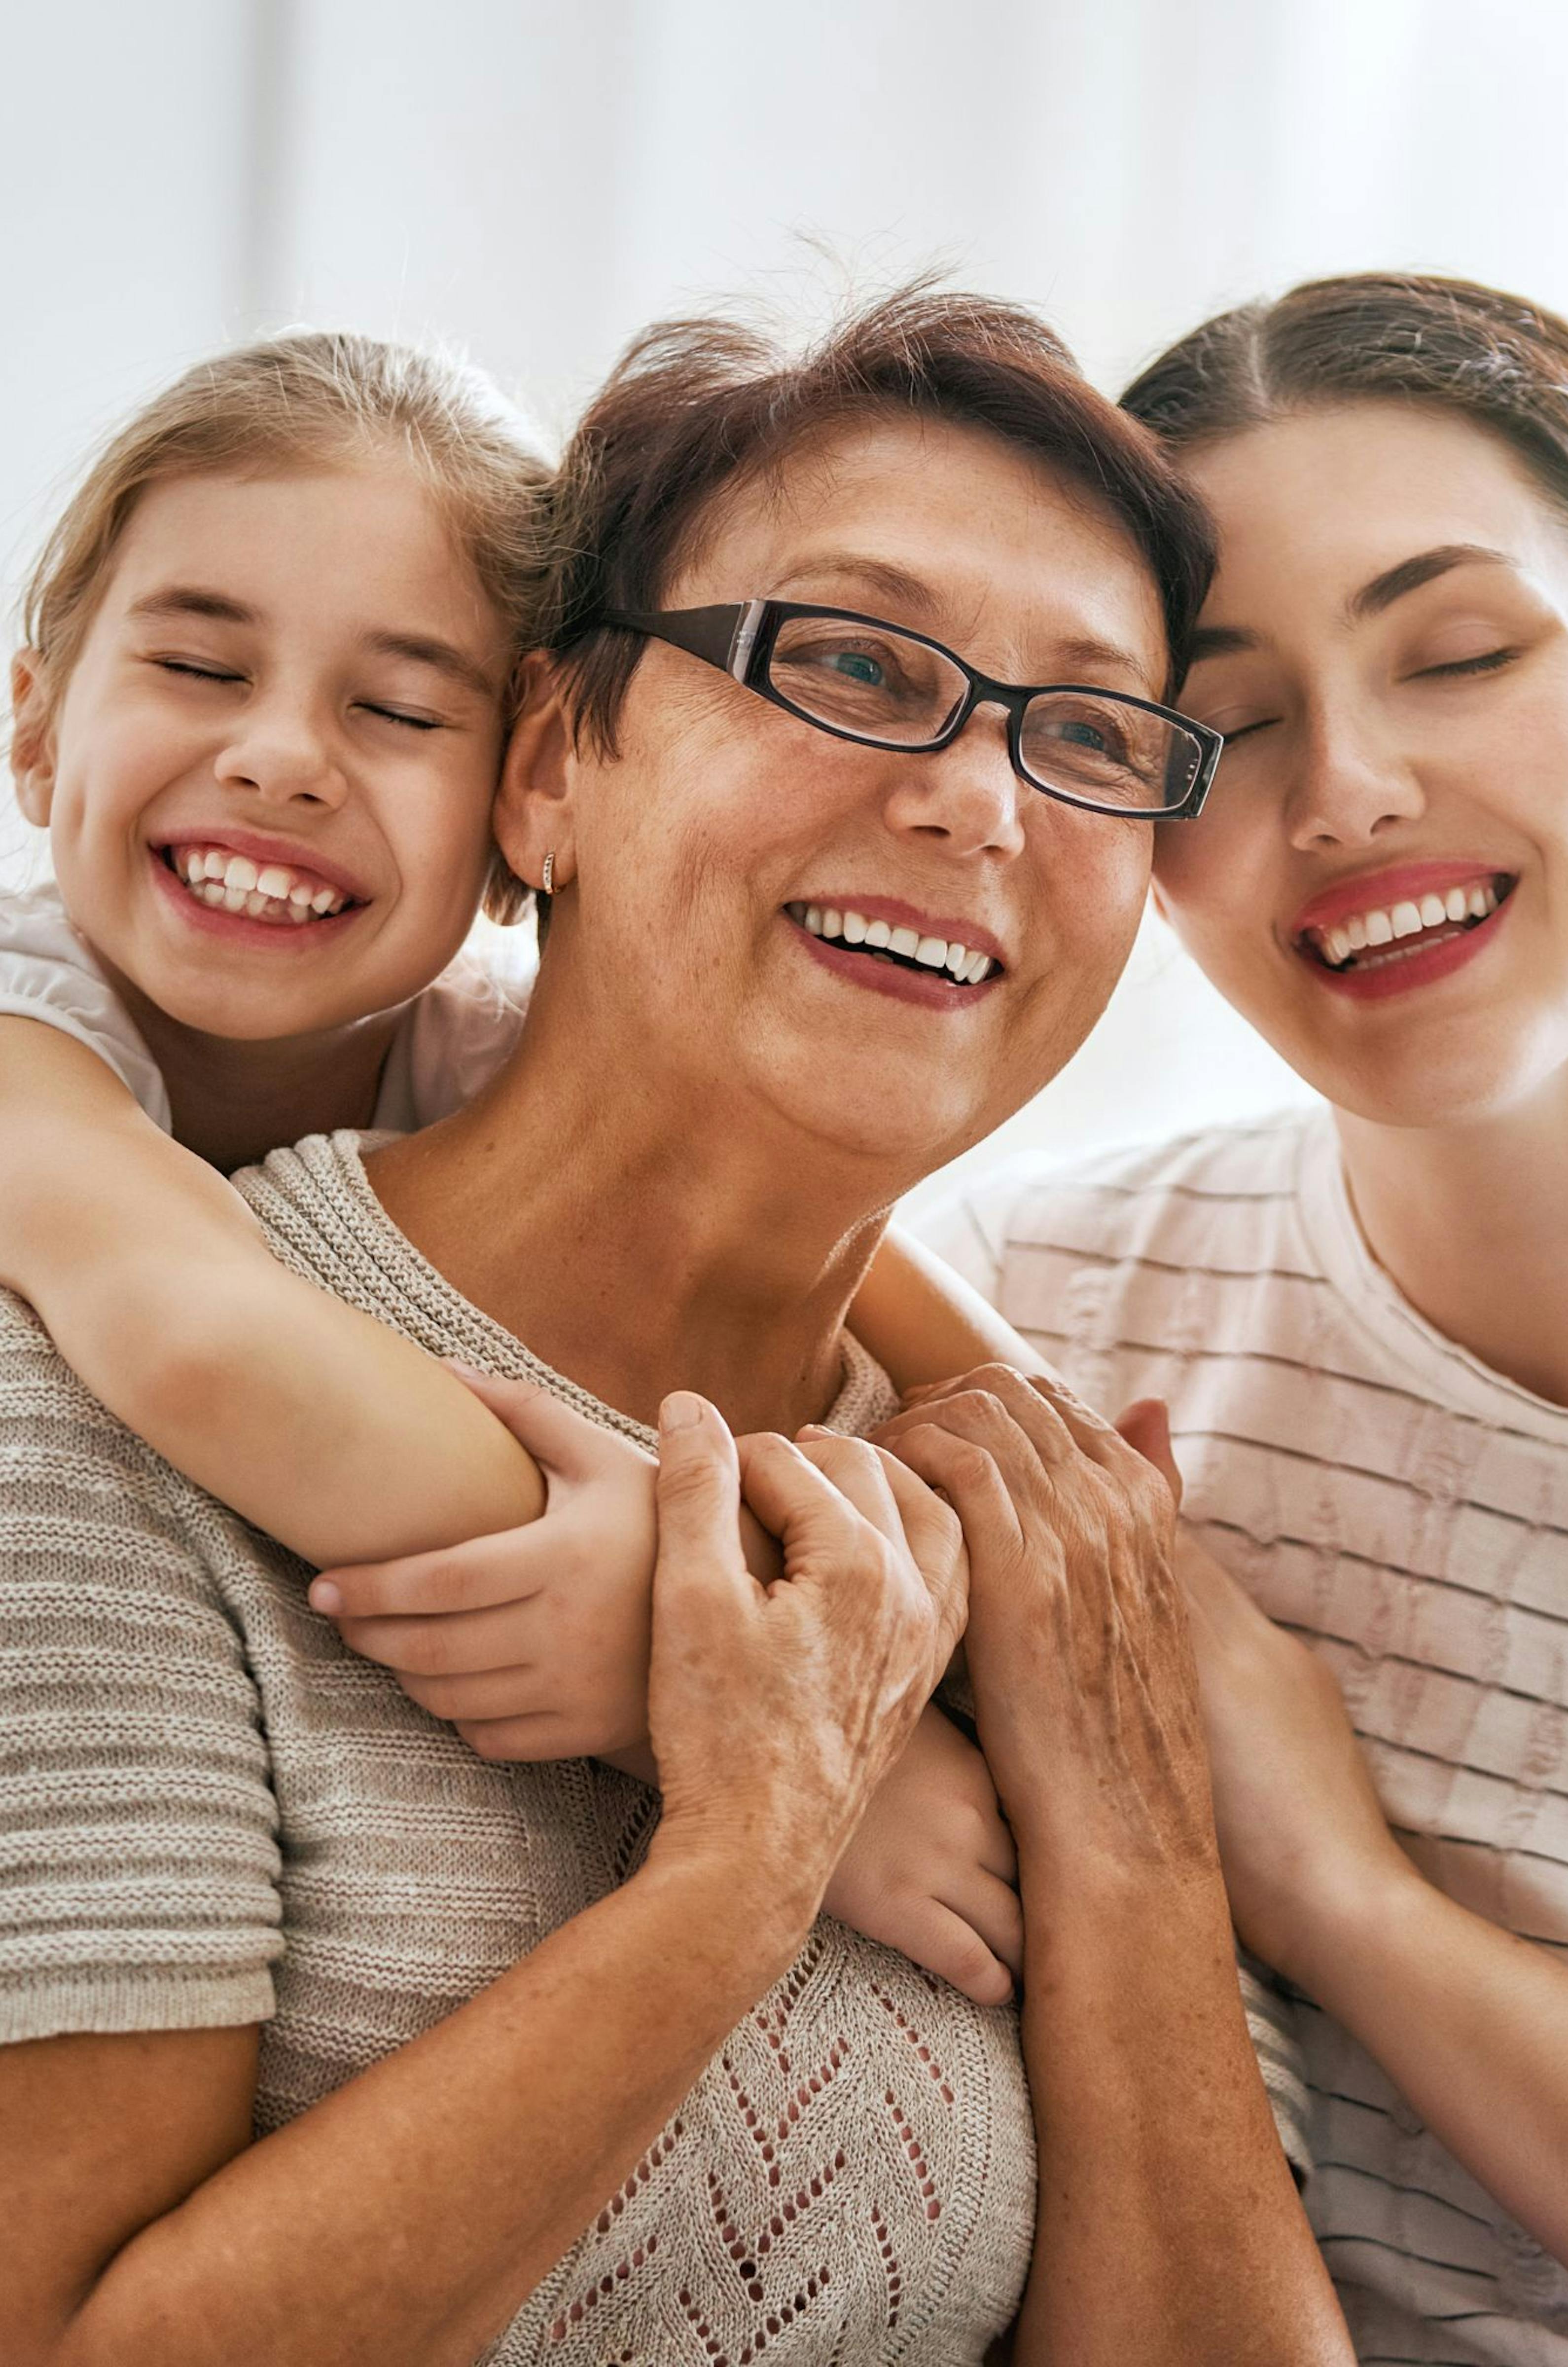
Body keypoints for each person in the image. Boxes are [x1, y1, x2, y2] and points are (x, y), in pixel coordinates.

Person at [0, 291, 1350, 2366]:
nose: (985, 805)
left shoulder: (1036, 1538)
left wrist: (1136, 1818)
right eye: (852, 662)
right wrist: (750, 1854)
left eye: (1088, 734)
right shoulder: (76, 1375)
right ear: (548, 772)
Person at [922, 273, 1568, 2366]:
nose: (1346, 791)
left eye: (1457, 655)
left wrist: (1333, 1884)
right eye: (1228, 723)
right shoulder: (1032, 1315)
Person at [0, 326, 1067, 2002]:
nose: (283, 755)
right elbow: (204, 1339)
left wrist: (1079, 1515)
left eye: (399, 706)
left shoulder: (486, 1041)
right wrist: (723, 1683)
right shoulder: (18, 1056)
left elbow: (892, 1304)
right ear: (36, 726)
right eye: (201, 671)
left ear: (526, 798)